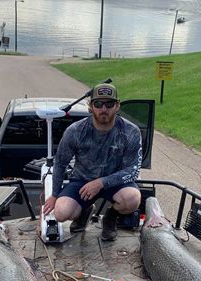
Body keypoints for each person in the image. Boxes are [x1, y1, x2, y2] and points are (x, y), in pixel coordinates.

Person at [43, 83, 142, 241]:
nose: (104, 109)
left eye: (109, 104)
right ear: (90, 106)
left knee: (133, 199)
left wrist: (101, 182)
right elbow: (60, 163)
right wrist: (55, 194)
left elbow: (133, 170)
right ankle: (85, 211)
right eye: (98, 104)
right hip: (82, 181)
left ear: (117, 106)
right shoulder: (75, 131)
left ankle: (111, 217)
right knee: (61, 213)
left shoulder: (131, 131)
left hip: (115, 182)